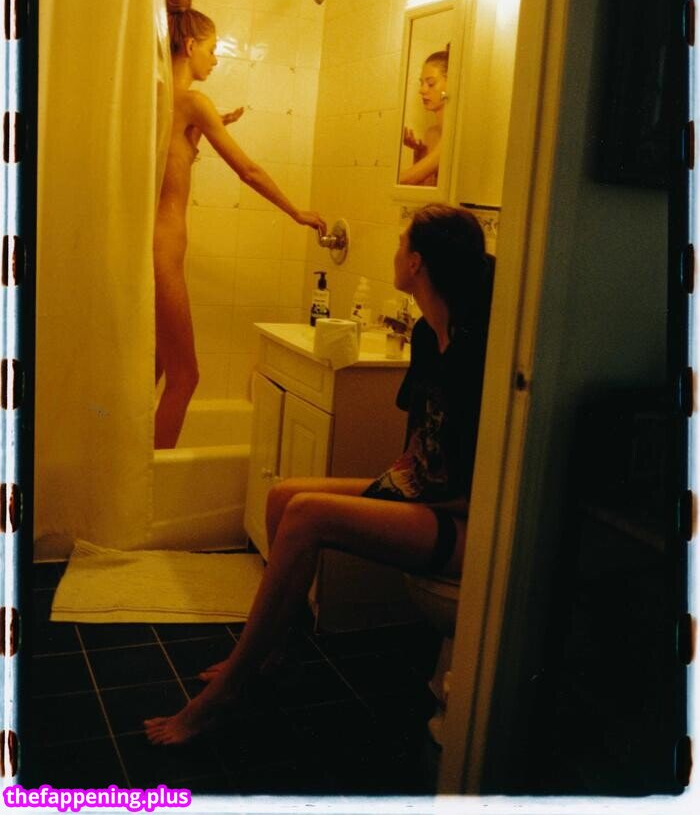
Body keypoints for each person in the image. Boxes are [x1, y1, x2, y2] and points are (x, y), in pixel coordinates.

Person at [145, 203, 494, 744]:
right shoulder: (429, 335)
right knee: (284, 495)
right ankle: (279, 655)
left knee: (307, 514)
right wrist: (396, 488)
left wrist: (411, 495)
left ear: (417, 263)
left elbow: (481, 470)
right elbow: (419, 441)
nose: (395, 253)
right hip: (427, 496)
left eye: (401, 244)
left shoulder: (479, 350)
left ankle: (229, 691)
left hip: (469, 520)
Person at [154, 0, 326, 449]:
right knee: (186, 376)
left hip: (147, 247)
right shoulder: (193, 102)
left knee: (153, 367)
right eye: (212, 50)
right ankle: (152, 480)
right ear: (191, 46)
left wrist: (201, 132)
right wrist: (296, 211)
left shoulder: (160, 100)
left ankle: (126, 466)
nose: (214, 60)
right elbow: (248, 170)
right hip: (162, 251)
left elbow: (168, 160)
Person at [400, 49, 449, 187]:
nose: (422, 90)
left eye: (431, 83)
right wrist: (419, 152)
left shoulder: (455, 135)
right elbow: (425, 187)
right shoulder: (431, 134)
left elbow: (408, 179)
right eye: (421, 83)